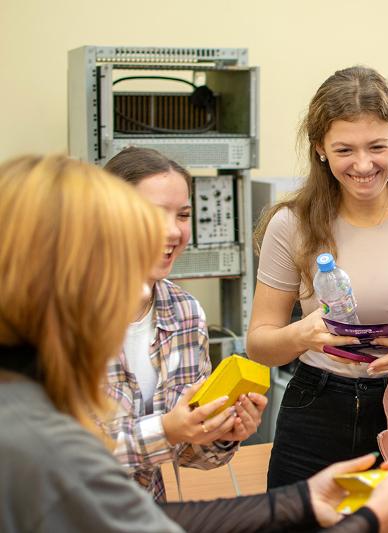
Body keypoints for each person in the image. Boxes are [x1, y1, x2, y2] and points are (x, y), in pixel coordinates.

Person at [0, 154, 388, 533]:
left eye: (182, 215)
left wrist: (301, 499)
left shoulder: (175, 313)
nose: (166, 236)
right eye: (117, 248)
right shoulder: (24, 427)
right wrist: (368, 520)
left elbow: (146, 515)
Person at [247, 65, 388, 490]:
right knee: (297, 519)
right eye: (344, 150)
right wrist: (302, 334)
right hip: (314, 408)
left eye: (377, 147)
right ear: (320, 148)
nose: (362, 164)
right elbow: (260, 345)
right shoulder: (291, 223)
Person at [101, 146, 267, 501]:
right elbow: (56, 455)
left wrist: (221, 433)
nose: (172, 231)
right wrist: (166, 430)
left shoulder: (185, 313)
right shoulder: (57, 312)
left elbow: (188, 452)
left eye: (183, 215)